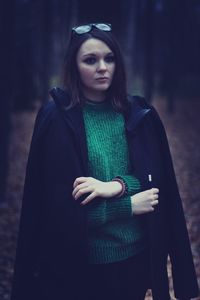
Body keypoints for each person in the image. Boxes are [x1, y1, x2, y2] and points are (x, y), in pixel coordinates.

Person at [11, 23, 199, 300]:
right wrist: (126, 206)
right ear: (74, 66)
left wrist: (116, 186)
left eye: (109, 58)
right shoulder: (57, 120)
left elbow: (156, 184)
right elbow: (57, 214)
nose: (102, 67)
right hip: (80, 268)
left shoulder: (140, 114)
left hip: (135, 262)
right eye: (90, 60)